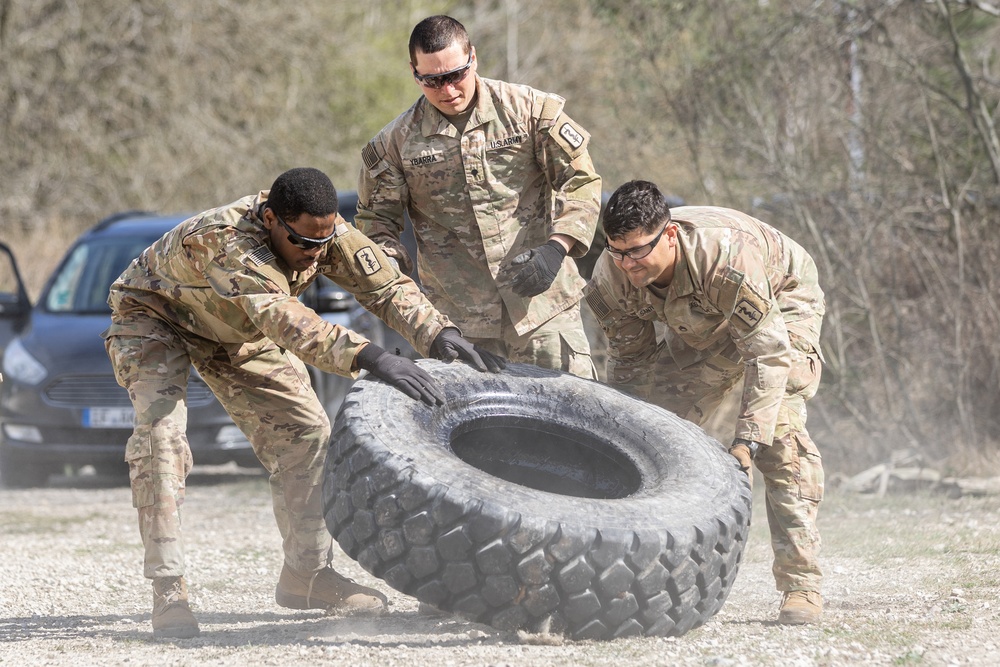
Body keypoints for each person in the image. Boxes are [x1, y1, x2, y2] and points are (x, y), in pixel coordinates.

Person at [103, 167, 504, 639]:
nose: (315, 252)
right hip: (156, 319)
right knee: (162, 436)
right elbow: (285, 320)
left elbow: (385, 285)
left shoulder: (324, 232)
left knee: (310, 434)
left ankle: (306, 576)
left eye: (324, 241)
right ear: (272, 219)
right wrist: (371, 357)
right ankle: (168, 588)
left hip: (239, 332)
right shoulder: (228, 242)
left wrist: (439, 334)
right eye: (303, 243)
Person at [583, 180, 826, 625]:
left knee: (780, 436)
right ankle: (644, 573)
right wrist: (624, 432)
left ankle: (801, 584)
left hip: (782, 303)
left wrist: (747, 441)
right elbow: (630, 360)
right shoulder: (609, 277)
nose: (629, 265)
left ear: (669, 234)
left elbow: (767, 352)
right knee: (656, 438)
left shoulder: (728, 259)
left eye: (639, 251)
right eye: (618, 251)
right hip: (703, 325)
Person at [355, 15, 602, 379]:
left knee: (576, 421)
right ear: (414, 73)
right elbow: (377, 226)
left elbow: (580, 180)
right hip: (462, 328)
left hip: (543, 313)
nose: (448, 90)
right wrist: (394, 270)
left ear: (474, 57)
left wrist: (557, 248)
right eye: (432, 80)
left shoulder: (529, 112)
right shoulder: (395, 144)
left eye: (456, 75)